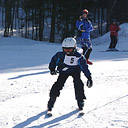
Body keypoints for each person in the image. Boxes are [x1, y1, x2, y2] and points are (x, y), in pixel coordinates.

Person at [47, 37, 93, 115]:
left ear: (74, 48)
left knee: (78, 84)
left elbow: (84, 67)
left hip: (75, 71)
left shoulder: (79, 56)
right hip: (64, 71)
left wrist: (89, 77)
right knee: (58, 84)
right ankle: (51, 102)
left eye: (69, 49)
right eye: (65, 49)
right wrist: (52, 69)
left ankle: (80, 102)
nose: (67, 51)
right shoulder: (60, 55)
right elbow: (53, 61)